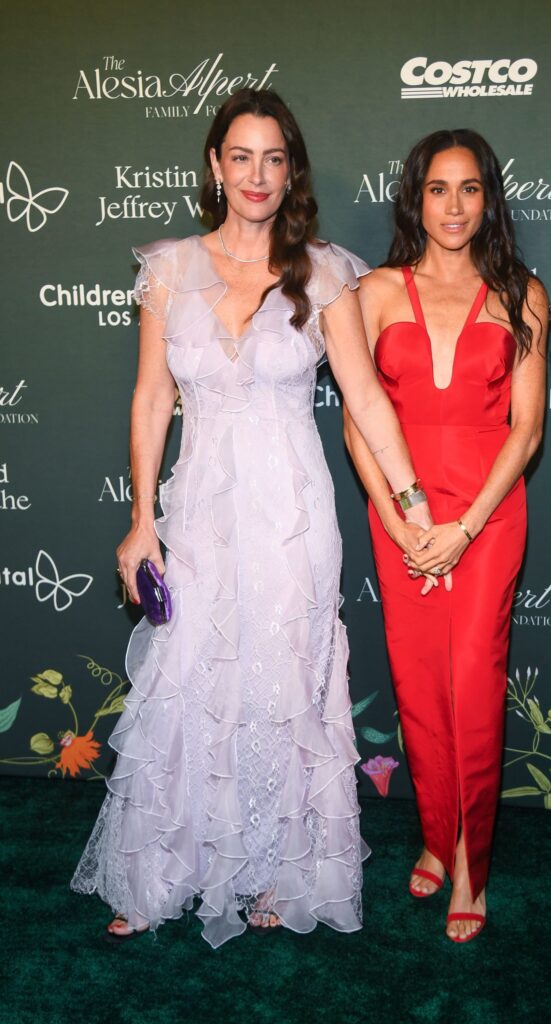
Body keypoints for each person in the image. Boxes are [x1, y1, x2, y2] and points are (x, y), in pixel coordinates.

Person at [70, 89, 432, 947]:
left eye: (274, 158)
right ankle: (163, 872)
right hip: (196, 510)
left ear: (290, 169)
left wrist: (412, 500)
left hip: (292, 513)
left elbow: (368, 401)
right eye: (241, 156)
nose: (257, 175)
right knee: (190, 677)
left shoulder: (326, 270)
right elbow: (153, 395)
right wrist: (138, 520)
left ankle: (281, 871)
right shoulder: (166, 270)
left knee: (283, 682)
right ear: (214, 166)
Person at [344, 129, 551, 943]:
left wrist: (464, 526)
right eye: (439, 189)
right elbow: (361, 425)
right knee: (420, 688)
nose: (454, 206)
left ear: (488, 200)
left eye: (470, 189)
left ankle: (472, 860)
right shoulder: (373, 291)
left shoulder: (520, 292)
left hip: (487, 518)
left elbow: (527, 429)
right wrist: (401, 521)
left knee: (472, 684)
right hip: (400, 518)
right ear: (415, 197)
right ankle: (437, 833)